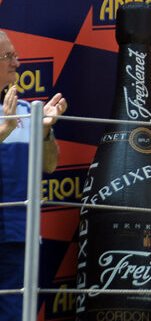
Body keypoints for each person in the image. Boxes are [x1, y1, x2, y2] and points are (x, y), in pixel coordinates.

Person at [0, 30, 66, 319]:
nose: (17, 63)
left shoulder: (27, 111)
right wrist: (4, 130)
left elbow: (49, 165)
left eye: (15, 55)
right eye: (8, 56)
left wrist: (45, 130)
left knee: (15, 313)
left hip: (18, 233)